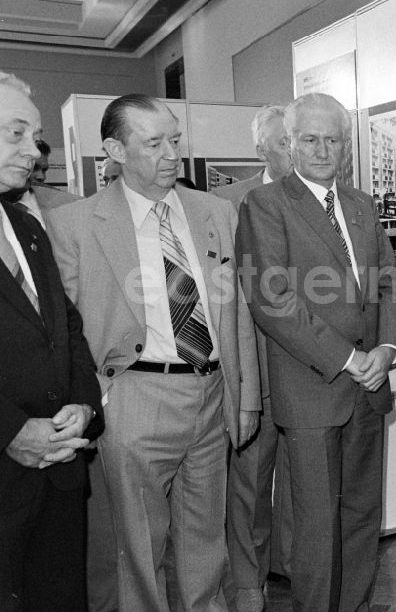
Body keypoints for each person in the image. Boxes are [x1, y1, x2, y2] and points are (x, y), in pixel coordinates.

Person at [47, 94, 261, 612]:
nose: (171, 154)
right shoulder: (75, 225)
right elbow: (64, 330)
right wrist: (101, 398)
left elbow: (239, 314)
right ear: (115, 148)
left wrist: (246, 395)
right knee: (139, 551)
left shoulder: (215, 212)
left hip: (211, 395)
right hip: (135, 399)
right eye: (154, 143)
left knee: (205, 542)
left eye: (175, 140)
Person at [236, 92, 396, 612]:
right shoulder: (265, 205)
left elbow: (388, 284)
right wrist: (348, 358)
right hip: (312, 389)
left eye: (332, 139)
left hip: (368, 387)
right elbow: (271, 298)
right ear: (288, 144)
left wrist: (388, 348)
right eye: (310, 139)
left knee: (360, 515)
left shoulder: (360, 204)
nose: (322, 149)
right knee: (315, 526)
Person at [0, 71, 102, 612]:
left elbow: (67, 327)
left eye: (35, 136)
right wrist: (12, 431)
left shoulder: (29, 225)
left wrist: (84, 404)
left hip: (60, 471)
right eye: (15, 134)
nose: (34, 150)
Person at [213, 104, 294, 612]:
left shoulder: (329, 203)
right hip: (256, 371)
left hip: (316, 371)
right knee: (248, 487)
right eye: (285, 142)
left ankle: (293, 566)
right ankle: (248, 584)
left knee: (305, 486)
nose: (297, 151)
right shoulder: (224, 205)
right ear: (260, 149)